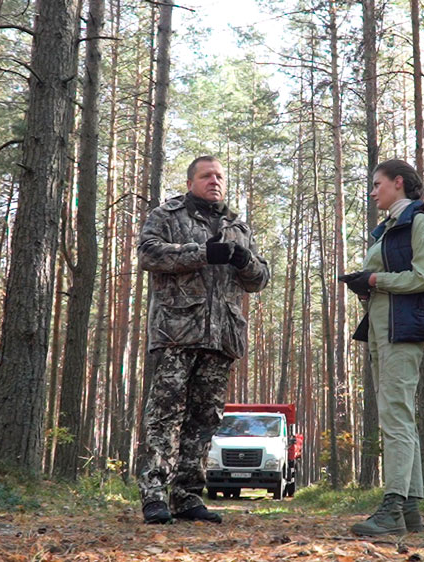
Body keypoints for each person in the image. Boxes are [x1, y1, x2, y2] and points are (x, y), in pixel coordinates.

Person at [136, 155, 270, 524]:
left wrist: (247, 263)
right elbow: (148, 254)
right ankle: (154, 494)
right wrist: (200, 254)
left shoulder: (237, 227)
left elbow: (259, 281)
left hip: (221, 336)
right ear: (191, 180)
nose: (215, 181)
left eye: (220, 176)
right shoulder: (168, 215)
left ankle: (188, 496)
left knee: (204, 419)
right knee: (165, 416)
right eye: (207, 176)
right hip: (176, 333)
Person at [339, 159, 424, 536]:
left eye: (377, 184)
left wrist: (375, 278)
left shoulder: (418, 223)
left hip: (402, 331)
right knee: (397, 416)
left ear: (399, 183)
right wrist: (367, 285)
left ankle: (391, 509)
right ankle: (410, 513)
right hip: (380, 329)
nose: (373, 191)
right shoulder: (388, 229)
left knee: (395, 418)